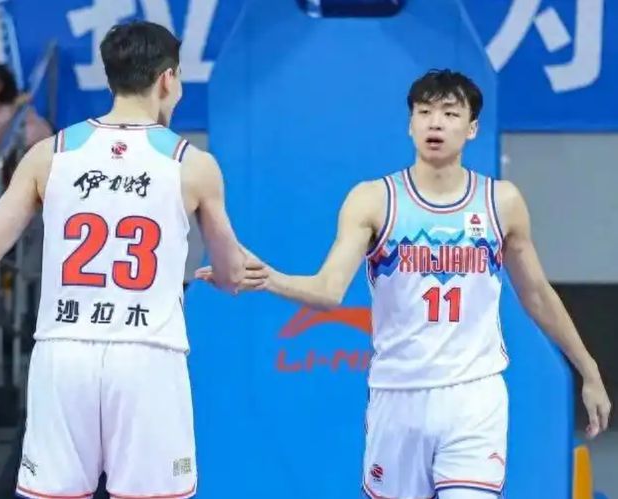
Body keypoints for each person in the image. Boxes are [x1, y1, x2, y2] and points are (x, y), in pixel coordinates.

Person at [197, 69, 612, 499]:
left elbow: (537, 293)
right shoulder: (374, 199)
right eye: (425, 112)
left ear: (472, 128)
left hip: (474, 396)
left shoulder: (500, 202)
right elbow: (328, 290)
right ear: (410, 123)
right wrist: (269, 278)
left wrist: (588, 369)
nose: (436, 123)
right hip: (398, 397)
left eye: (450, 113)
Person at [0, 20, 253, 499]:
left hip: (64, 352)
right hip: (147, 357)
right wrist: (226, 273)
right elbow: (231, 271)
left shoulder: (49, 154)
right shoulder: (192, 164)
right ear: (168, 79)